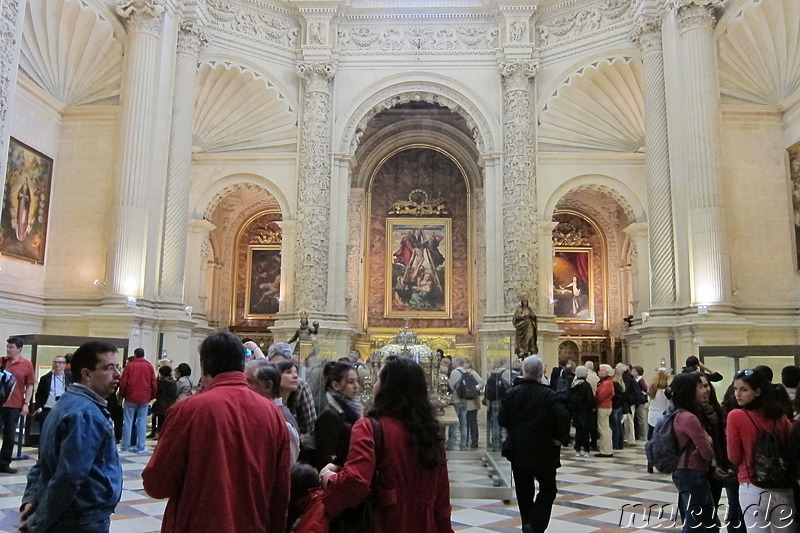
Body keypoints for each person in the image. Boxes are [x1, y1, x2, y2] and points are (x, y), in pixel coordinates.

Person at [142, 332, 290, 533]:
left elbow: (157, 484)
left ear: (203, 366)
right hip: (253, 525)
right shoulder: (273, 413)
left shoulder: (188, 410)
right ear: (242, 363)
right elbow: (280, 490)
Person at [319, 355, 453, 532]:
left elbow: (355, 484)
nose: (373, 385)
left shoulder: (369, 427)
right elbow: (442, 501)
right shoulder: (430, 433)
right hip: (424, 524)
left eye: (378, 379)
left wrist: (327, 476)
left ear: (388, 388)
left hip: (384, 521)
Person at [19, 341, 123, 533]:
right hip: (81, 518)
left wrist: (32, 498)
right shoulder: (86, 414)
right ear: (87, 374)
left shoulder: (67, 402)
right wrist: (39, 521)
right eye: (109, 368)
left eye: (118, 367)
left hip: (72, 515)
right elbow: (70, 476)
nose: (117, 374)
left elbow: (44, 463)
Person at [499, 355, 570, 533]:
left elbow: (502, 419)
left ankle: (527, 524)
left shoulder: (512, 393)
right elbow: (563, 417)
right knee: (548, 489)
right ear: (541, 373)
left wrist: (515, 429)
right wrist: (559, 438)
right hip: (544, 450)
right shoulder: (550, 395)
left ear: (523, 372)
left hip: (519, 449)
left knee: (524, 492)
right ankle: (536, 525)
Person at [727, 368, 794, 533]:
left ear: (757, 391)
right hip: (782, 486)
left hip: (752, 485)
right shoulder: (779, 417)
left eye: (744, 389)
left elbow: (734, 457)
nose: (738, 394)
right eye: (736, 389)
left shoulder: (735, 416)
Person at [668, 373, 715, 533]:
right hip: (692, 472)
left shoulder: (678, 413)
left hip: (686, 471)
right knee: (695, 521)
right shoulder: (689, 418)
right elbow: (707, 453)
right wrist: (709, 441)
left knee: (707, 519)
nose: (703, 390)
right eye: (699, 387)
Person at [244, 359, 300, 463]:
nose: (243, 389)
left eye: (249, 383)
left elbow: (287, 466)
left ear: (267, 386)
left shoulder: (284, 423)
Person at [314, 361, 362, 470]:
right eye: (350, 382)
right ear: (336, 385)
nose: (356, 386)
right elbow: (326, 458)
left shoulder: (353, 410)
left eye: (357, 381)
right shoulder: (329, 416)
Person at [0, 336, 35, 474]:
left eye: (11, 347)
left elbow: (30, 385)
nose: (8, 349)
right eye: (7, 347)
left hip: (14, 405)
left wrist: (26, 403)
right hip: (0, 403)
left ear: (19, 349)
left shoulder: (26, 364)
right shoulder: (2, 361)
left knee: (9, 436)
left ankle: (3, 463)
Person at [118, 347, 156, 454]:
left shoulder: (130, 366)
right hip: (144, 397)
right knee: (141, 422)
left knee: (128, 421)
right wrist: (151, 396)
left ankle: (125, 446)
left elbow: (123, 382)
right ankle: (141, 446)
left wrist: (123, 394)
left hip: (130, 397)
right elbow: (153, 383)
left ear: (135, 355)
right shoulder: (149, 366)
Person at [33, 355, 72, 429]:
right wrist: (39, 409)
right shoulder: (45, 378)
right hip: (48, 409)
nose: (57, 364)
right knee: (45, 432)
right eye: (55, 362)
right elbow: (39, 394)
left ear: (65, 364)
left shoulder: (70, 378)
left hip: (64, 410)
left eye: (60, 362)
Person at [646, 368, 671, 473]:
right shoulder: (667, 391)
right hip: (663, 417)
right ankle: (663, 462)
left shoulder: (652, 390)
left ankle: (650, 463)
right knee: (663, 441)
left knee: (651, 440)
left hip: (652, 416)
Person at [568, 365, 595, 457]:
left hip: (576, 410)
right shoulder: (585, 385)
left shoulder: (573, 383)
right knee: (585, 431)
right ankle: (586, 450)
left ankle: (577, 449)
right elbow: (589, 398)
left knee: (578, 431)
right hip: (585, 410)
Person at [151, 366, 178, 439]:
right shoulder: (173, 381)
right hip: (170, 402)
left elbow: (158, 391)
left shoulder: (162, 382)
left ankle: (157, 433)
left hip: (161, 402)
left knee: (159, 419)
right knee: (164, 420)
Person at [594, 364, 614, 457]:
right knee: (605, 429)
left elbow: (601, 396)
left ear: (608, 372)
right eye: (599, 370)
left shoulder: (607, 383)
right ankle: (606, 449)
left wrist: (594, 400)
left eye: (602, 370)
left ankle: (606, 451)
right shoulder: (604, 382)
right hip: (604, 406)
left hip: (604, 407)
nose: (600, 372)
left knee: (604, 429)